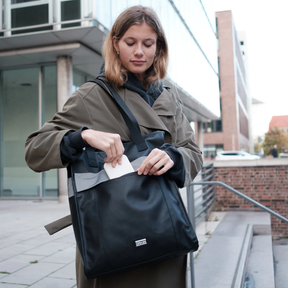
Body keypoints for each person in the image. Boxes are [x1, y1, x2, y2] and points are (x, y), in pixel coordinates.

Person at [25, 5, 203, 288]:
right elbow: (34, 148)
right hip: (112, 237)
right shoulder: (92, 95)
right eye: (130, 43)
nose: (139, 52)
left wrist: (174, 157)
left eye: (148, 44)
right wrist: (82, 136)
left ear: (159, 49)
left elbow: (193, 152)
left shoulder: (169, 97)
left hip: (163, 231)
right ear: (115, 44)